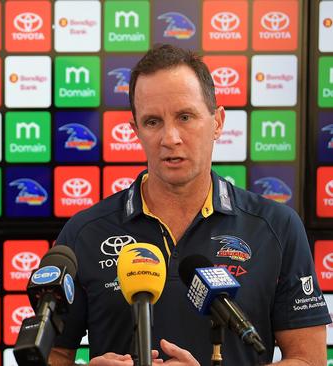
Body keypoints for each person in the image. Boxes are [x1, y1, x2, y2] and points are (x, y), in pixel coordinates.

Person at [49, 44, 330, 365]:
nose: (170, 137)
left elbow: (309, 359)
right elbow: (53, 354)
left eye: (185, 117)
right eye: (153, 121)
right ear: (135, 131)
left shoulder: (277, 226)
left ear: (218, 122)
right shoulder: (84, 232)